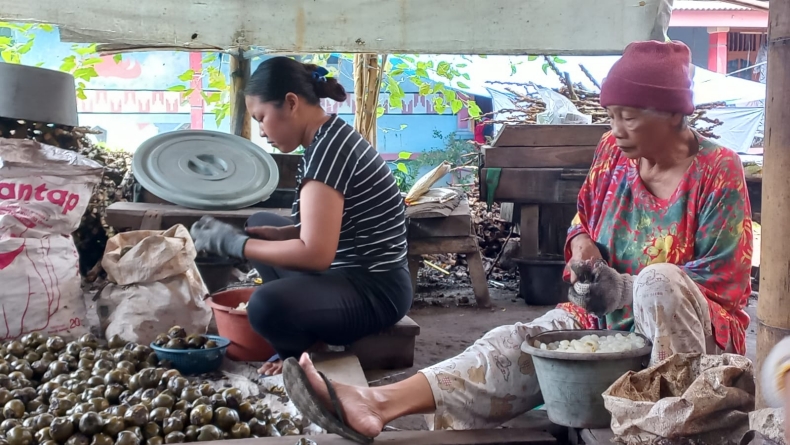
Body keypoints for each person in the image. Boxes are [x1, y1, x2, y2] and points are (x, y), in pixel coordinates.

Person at [279, 40, 754, 443]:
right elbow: (581, 221)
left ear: (673, 114)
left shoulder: (718, 170)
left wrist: (626, 289)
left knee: (656, 281)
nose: (615, 129)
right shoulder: (613, 153)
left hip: (687, 344)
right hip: (606, 325)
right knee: (513, 343)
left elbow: (725, 284)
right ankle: (375, 403)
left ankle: (667, 429)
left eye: (628, 116)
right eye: (611, 115)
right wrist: (582, 249)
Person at [190, 57, 413, 376]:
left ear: (291, 103)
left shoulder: (328, 153)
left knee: (265, 306)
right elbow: (335, 222)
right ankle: (304, 334)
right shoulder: (326, 140)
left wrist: (235, 245)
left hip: (375, 290)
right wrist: (277, 236)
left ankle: (296, 353)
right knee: (258, 227)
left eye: (262, 117)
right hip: (347, 272)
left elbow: (316, 254)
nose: (262, 132)